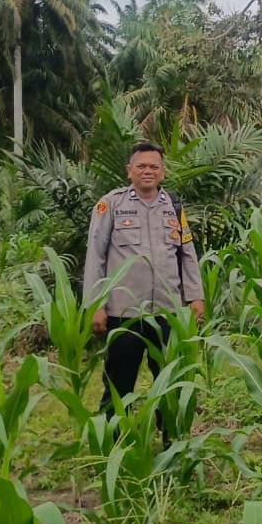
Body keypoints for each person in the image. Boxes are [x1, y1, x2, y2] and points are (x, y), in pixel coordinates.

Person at [83, 141, 204, 444]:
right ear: (129, 171)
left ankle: (171, 444)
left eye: (153, 167)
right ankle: (111, 444)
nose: (147, 171)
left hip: (167, 313)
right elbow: (95, 256)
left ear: (162, 172)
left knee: (170, 378)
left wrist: (195, 296)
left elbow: (187, 252)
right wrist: (96, 304)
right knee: (118, 382)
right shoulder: (110, 205)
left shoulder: (174, 207)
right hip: (123, 313)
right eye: (141, 166)